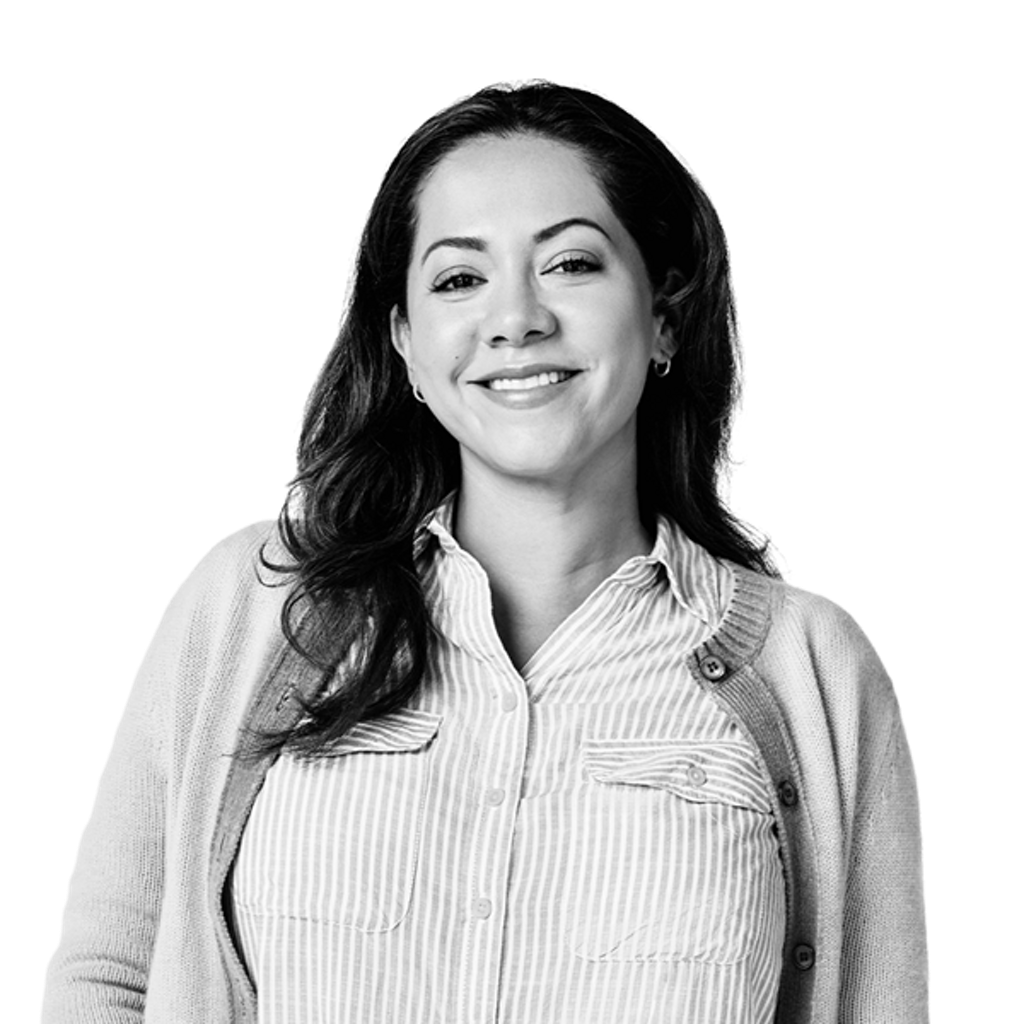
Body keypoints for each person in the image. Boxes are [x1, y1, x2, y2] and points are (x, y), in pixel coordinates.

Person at [41, 78, 928, 1023]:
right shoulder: (255, 607)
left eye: (571, 264)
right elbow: (110, 980)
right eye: (460, 279)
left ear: (664, 317)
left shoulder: (811, 672)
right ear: (407, 344)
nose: (517, 319)